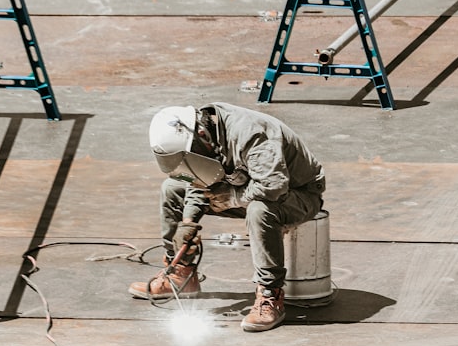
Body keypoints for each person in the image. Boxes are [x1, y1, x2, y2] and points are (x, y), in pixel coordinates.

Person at [129, 102, 325, 332]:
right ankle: (180, 272)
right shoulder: (206, 135)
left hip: (297, 195)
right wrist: (188, 223)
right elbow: (196, 177)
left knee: (259, 210)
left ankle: (270, 294)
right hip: (248, 189)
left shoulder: (251, 133)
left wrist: (232, 199)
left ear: (201, 135)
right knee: (172, 189)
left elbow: (274, 186)